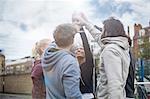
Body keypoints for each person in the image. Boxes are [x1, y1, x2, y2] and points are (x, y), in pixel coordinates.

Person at [72, 12, 130, 99]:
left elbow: (115, 83)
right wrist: (86, 23)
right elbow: (98, 37)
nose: (101, 32)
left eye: (103, 29)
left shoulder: (110, 51)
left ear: (107, 31)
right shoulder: (121, 47)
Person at [42, 23, 82, 99]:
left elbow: (55, 43)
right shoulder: (70, 62)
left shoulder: (46, 55)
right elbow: (73, 96)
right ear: (73, 39)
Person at [73, 31, 95, 99]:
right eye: (77, 49)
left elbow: (86, 46)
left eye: (81, 49)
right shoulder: (71, 66)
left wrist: (81, 31)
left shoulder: (88, 64)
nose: (79, 50)